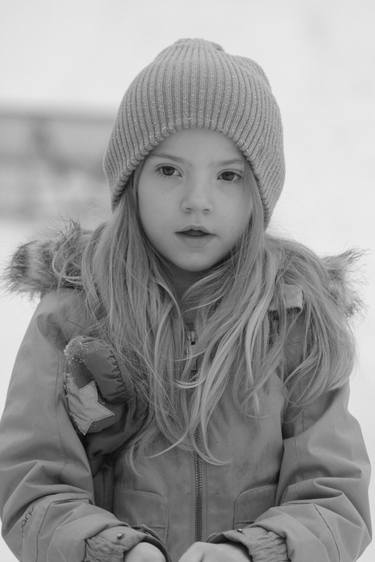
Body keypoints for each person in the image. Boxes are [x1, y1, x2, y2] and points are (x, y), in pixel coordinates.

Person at [0, 37, 371, 562]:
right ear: (132, 182)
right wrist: (115, 552)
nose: (198, 200)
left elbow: (335, 496)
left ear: (258, 193)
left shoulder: (295, 318)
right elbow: (33, 485)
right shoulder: (76, 315)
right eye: (169, 170)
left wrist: (253, 554)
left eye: (228, 175)